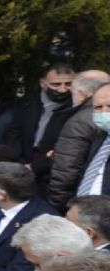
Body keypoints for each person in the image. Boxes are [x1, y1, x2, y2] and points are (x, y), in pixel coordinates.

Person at [48, 71, 110, 209]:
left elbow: (66, 170)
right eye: (98, 107)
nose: (104, 112)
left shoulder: (80, 123)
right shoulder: (102, 137)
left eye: (109, 106)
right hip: (85, 214)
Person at [5, 63, 75, 164]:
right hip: (21, 161)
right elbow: (14, 133)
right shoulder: (27, 103)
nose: (62, 89)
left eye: (69, 84)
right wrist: (17, 161)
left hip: (51, 165)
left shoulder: (75, 107)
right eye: (56, 84)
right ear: (43, 83)